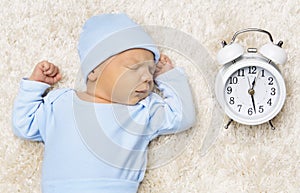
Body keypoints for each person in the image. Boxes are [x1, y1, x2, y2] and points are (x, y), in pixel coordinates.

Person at [12, 13, 195, 193]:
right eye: (134, 67)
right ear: (93, 71)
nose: (148, 77)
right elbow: (24, 124)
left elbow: (183, 116)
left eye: (151, 69)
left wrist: (168, 78)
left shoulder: (143, 110)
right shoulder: (60, 102)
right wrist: (35, 85)